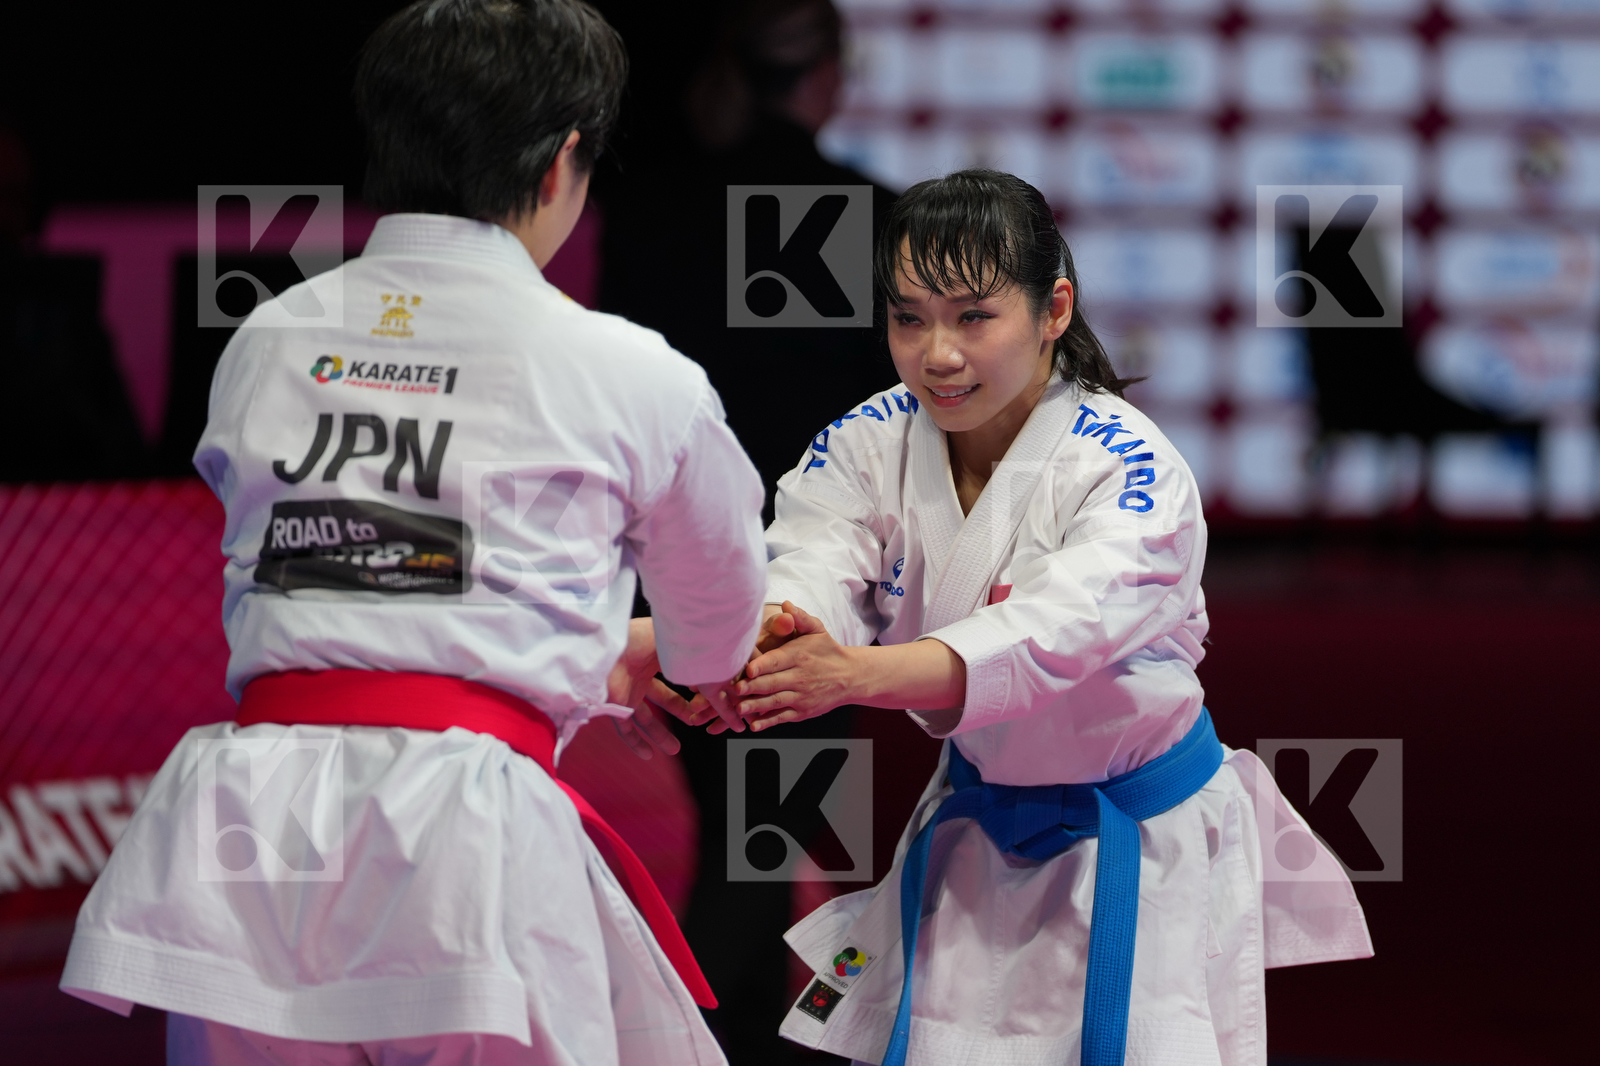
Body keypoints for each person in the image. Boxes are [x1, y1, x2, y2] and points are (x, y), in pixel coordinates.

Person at [59, 2, 766, 1063]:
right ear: (563, 157)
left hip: (248, 822)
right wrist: (618, 646)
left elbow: (327, 563)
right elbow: (715, 637)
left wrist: (579, 642)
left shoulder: (266, 337)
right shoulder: (630, 371)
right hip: (464, 833)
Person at [717, 170, 1374, 1066]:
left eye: (973, 316)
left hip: (1138, 840)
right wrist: (763, 642)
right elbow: (811, 565)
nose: (935, 353)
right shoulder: (872, 437)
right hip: (977, 824)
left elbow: (1052, 634)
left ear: (1053, 308)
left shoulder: (1132, 470)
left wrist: (851, 673)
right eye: (908, 317)